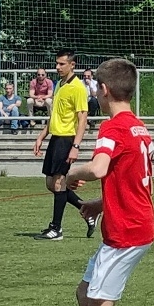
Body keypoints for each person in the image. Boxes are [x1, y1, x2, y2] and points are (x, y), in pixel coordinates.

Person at [56, 58, 154, 306]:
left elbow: (98, 168)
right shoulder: (139, 127)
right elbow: (132, 180)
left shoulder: (113, 127)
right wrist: (101, 203)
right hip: (132, 222)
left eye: (95, 88)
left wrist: (69, 175)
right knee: (85, 295)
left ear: (104, 90)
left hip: (126, 232)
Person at [33, 49, 92, 240]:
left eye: (61, 64)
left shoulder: (78, 88)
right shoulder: (60, 84)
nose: (57, 67)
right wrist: (41, 136)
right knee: (51, 184)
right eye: (57, 63)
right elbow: (54, 116)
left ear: (72, 65)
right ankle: (87, 210)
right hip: (55, 138)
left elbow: (82, 119)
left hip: (67, 139)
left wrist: (76, 146)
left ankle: (56, 229)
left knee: (59, 183)